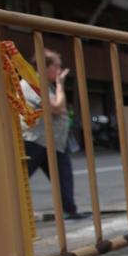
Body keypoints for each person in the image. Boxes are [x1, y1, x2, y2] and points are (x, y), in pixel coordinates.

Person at [19, 49, 88, 220]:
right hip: (35, 141)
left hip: (54, 142)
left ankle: (70, 210)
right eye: (57, 66)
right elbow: (58, 107)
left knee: (64, 176)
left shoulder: (44, 85)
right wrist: (60, 85)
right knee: (19, 179)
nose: (60, 70)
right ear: (45, 66)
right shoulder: (31, 83)